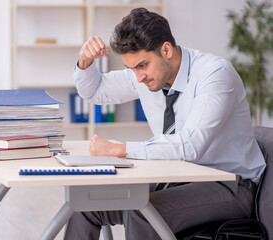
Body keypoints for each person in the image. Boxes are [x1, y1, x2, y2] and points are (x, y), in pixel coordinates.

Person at [64, 8, 266, 240]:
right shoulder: (145, 75)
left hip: (229, 184)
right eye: (132, 69)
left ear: (166, 49)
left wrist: (120, 149)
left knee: (143, 213)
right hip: (178, 177)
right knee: (86, 201)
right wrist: (85, 62)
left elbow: (190, 146)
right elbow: (95, 92)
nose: (138, 77)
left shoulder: (215, 74)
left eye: (141, 66)